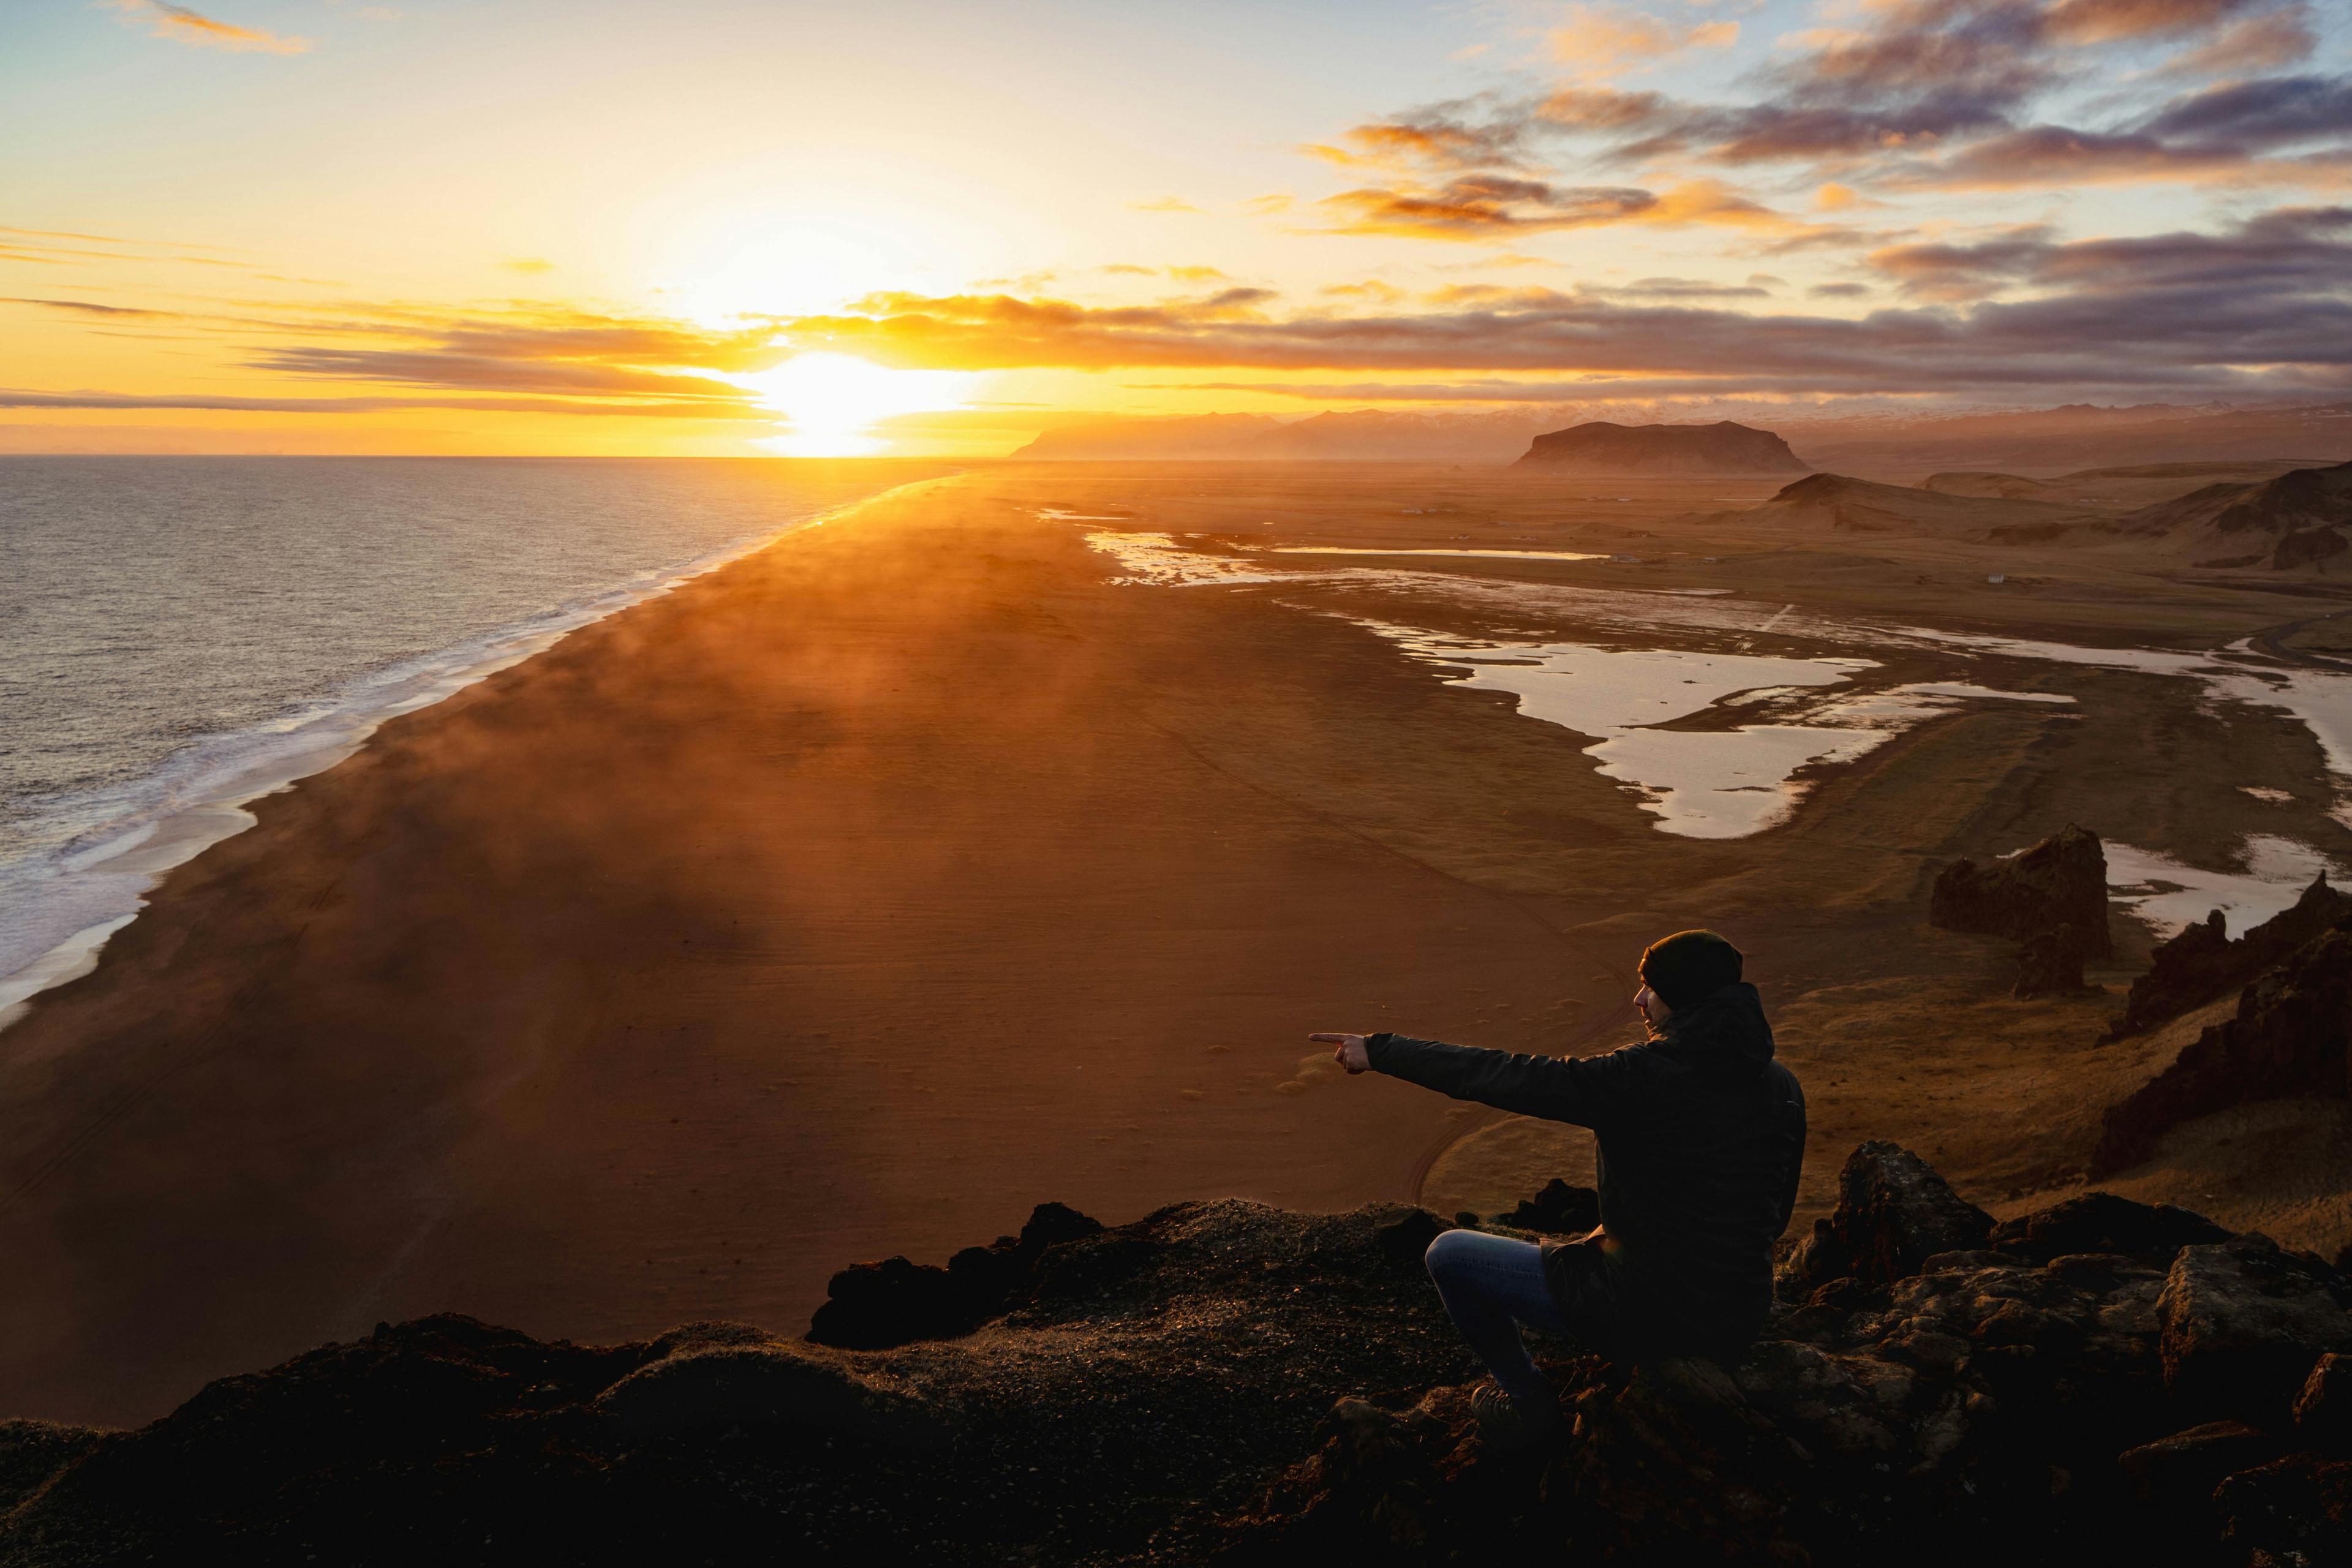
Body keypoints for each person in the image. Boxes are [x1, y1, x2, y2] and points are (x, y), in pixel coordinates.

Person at [1311, 929, 1806, 1449]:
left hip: (1649, 1316)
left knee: (1450, 1255)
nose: (1638, 999)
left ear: (1683, 995)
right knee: (1588, 1248)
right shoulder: (1782, 1086)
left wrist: (1380, 1051)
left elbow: (1507, 1076)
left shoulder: (1641, 1078)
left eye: (1650, 987)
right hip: (1739, 1317)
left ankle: (1528, 1405)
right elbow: (1774, 1213)